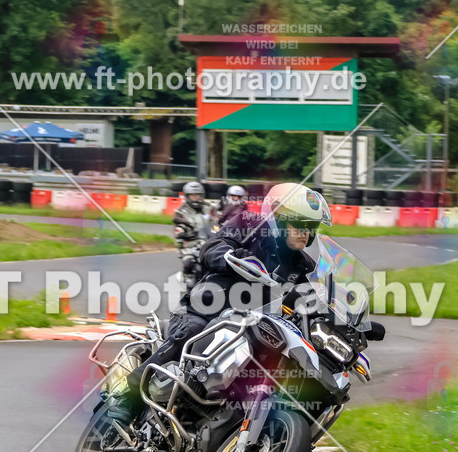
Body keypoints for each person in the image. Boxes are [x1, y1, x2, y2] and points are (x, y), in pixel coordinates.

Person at [106, 182, 333, 428]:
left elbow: (313, 300)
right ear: (278, 218)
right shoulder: (248, 225)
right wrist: (231, 256)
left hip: (255, 328)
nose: (305, 233)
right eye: (299, 224)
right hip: (207, 309)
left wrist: (344, 324)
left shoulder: (303, 267)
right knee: (193, 331)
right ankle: (127, 400)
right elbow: (212, 247)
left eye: (310, 227)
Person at [172, 181, 211, 285]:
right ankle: (186, 276)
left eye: (197, 195)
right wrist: (183, 233)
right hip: (190, 244)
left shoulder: (208, 208)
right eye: (193, 195)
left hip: (209, 242)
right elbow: (177, 228)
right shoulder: (181, 211)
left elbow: (217, 221)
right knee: (188, 263)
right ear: (187, 196)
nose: (195, 198)